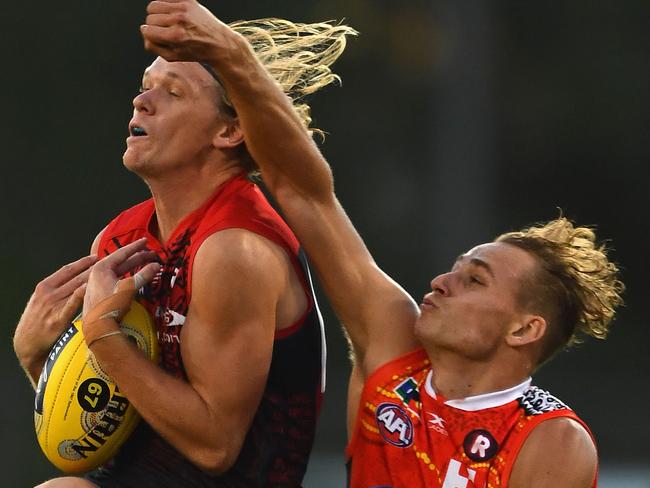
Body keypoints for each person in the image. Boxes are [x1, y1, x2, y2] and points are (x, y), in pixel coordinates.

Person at [134, 1, 626, 487]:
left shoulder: (550, 440)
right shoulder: (393, 346)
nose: (441, 282)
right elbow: (303, 189)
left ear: (525, 328)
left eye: (474, 280)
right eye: (456, 268)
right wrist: (231, 54)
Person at [13, 5, 357, 487]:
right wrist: (36, 359)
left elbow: (215, 448)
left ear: (229, 131)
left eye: (172, 92)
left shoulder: (235, 247)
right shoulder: (122, 238)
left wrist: (101, 336)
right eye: (145, 85)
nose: (140, 102)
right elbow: (93, 430)